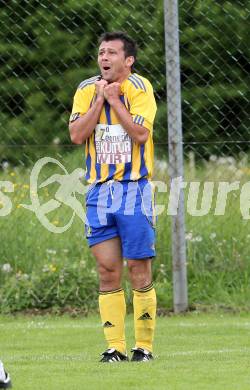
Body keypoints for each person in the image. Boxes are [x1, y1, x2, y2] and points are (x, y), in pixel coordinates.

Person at [69, 31, 157, 362]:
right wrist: (99, 101)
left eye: (112, 53)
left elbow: (139, 134)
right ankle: (114, 347)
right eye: (101, 52)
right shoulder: (85, 90)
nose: (104, 58)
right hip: (99, 193)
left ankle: (144, 348)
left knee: (138, 267)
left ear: (128, 60)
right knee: (107, 270)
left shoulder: (140, 88)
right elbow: (77, 135)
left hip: (133, 189)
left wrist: (116, 100)